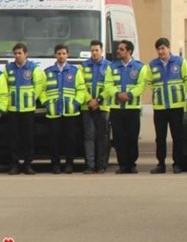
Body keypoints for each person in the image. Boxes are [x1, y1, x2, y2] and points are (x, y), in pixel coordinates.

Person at [103, 40, 149, 174]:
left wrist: (129, 95)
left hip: (132, 108)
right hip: (116, 108)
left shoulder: (140, 67)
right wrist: (117, 94)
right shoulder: (112, 67)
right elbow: (108, 84)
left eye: (121, 49)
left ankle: (131, 164)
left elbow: (141, 85)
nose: (118, 51)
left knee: (132, 137)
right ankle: (122, 164)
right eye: (119, 49)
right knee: (118, 138)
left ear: (129, 51)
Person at [147, 37, 187, 174]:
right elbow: (148, 82)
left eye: (163, 48)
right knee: (160, 138)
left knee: (177, 136)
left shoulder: (180, 62)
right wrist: (155, 92)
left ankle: (177, 164)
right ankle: (161, 164)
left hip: (176, 106)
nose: (161, 51)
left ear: (169, 48)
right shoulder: (152, 65)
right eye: (158, 49)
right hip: (160, 107)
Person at [41, 44, 86, 174]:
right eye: (59, 53)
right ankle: (55, 164)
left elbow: (81, 89)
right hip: (53, 113)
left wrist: (76, 103)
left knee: (70, 139)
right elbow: (42, 91)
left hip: (70, 112)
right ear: (55, 55)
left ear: (67, 55)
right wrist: (47, 103)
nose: (61, 56)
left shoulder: (75, 71)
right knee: (54, 140)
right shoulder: (48, 72)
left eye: (63, 53)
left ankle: (69, 164)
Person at [3, 42, 44, 175]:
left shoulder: (33, 68)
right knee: (13, 138)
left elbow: (39, 86)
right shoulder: (8, 68)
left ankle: (28, 165)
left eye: (20, 53)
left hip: (28, 110)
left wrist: (32, 98)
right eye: (15, 53)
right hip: (13, 109)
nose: (17, 56)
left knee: (28, 138)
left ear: (26, 54)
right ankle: (14, 165)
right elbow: (4, 88)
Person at [81, 40, 111, 174]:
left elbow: (109, 86)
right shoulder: (83, 66)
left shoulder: (109, 66)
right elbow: (80, 86)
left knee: (102, 137)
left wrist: (98, 100)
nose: (94, 53)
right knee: (89, 136)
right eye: (92, 50)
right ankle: (90, 165)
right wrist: (89, 101)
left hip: (103, 106)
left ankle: (101, 165)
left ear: (102, 51)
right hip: (87, 107)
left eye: (96, 50)